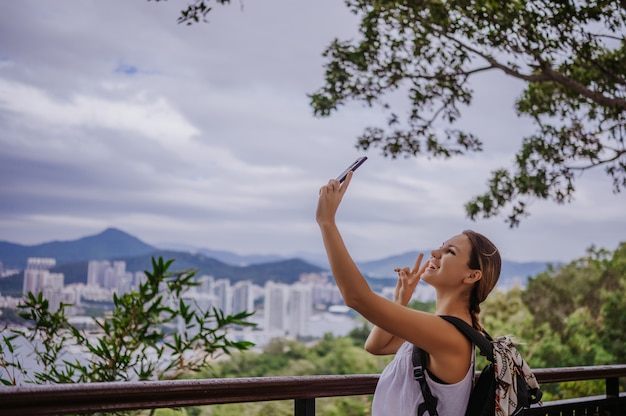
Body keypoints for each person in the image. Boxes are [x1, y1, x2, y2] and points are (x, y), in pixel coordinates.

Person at [316, 171, 501, 416]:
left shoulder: (449, 335)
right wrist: (400, 300)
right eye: (441, 246)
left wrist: (326, 222)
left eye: (450, 252)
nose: (435, 252)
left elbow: (356, 297)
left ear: (471, 276)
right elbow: (376, 346)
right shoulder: (441, 330)